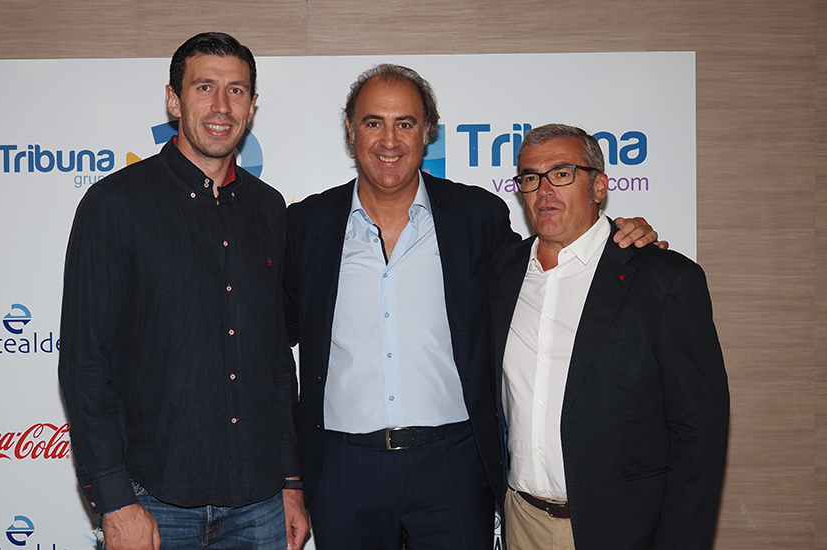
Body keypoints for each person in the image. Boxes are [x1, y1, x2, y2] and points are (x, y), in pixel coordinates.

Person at [283, 65, 660, 549]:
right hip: (341, 468)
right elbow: (271, 339)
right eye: (373, 122)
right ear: (351, 131)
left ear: (428, 132)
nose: (389, 140)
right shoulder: (305, 225)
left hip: (452, 465)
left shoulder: (477, 217)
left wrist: (621, 237)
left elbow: (549, 265)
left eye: (406, 123)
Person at [58, 32, 308, 550]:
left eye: (236, 90)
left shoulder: (269, 209)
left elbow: (276, 360)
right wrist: (115, 501)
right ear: (173, 100)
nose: (221, 106)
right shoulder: (114, 206)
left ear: (253, 105)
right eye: (204, 87)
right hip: (151, 503)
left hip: (259, 503)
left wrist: (290, 481)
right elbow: (85, 366)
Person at [491, 124, 729, 550]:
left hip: (623, 527)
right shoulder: (502, 273)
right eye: (530, 177)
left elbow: (699, 432)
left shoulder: (664, 279)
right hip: (521, 521)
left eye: (562, 173)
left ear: (598, 186)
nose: (544, 190)